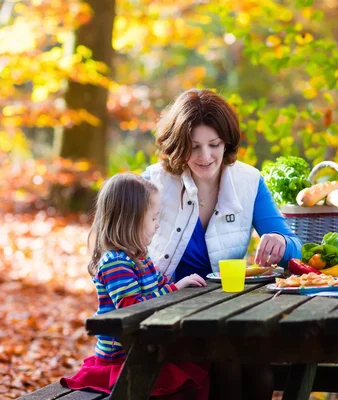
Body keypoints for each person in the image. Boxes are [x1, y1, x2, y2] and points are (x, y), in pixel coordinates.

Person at [144, 88, 302, 399]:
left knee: (260, 374)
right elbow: (120, 247)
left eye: (214, 145)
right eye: (194, 147)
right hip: (168, 313)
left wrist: (280, 242)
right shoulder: (154, 183)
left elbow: (295, 248)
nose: (205, 157)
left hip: (228, 314)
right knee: (227, 368)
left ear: (226, 142)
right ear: (178, 146)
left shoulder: (248, 181)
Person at [61, 173, 210, 399]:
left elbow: (162, 284)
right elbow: (132, 307)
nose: (158, 224)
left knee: (202, 371)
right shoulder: (116, 263)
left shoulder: (140, 258)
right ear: (130, 220)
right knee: (183, 387)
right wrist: (176, 289)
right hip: (122, 358)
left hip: (141, 349)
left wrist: (182, 284)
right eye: (153, 219)